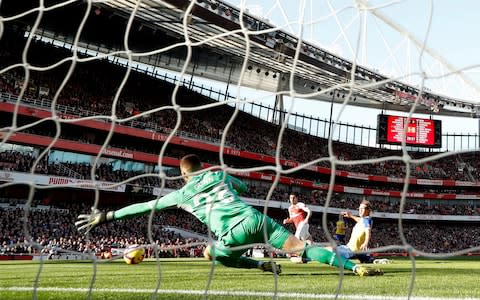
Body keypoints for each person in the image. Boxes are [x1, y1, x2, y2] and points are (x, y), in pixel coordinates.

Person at [76, 154, 382, 276]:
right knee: (303, 250)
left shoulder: (181, 193)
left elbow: (143, 208)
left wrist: (106, 217)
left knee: (213, 252)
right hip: (256, 220)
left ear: (183, 176)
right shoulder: (218, 174)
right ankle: (353, 269)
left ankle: (260, 266)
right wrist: (229, 181)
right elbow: (241, 183)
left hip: (233, 234)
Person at [329, 199, 376, 264]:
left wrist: (366, 243)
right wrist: (351, 216)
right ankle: (366, 258)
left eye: (362, 209)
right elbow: (359, 219)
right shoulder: (364, 220)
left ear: (368, 210)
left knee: (329, 249)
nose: (360, 210)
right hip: (350, 248)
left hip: (350, 250)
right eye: (359, 208)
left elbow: (368, 231)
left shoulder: (366, 220)